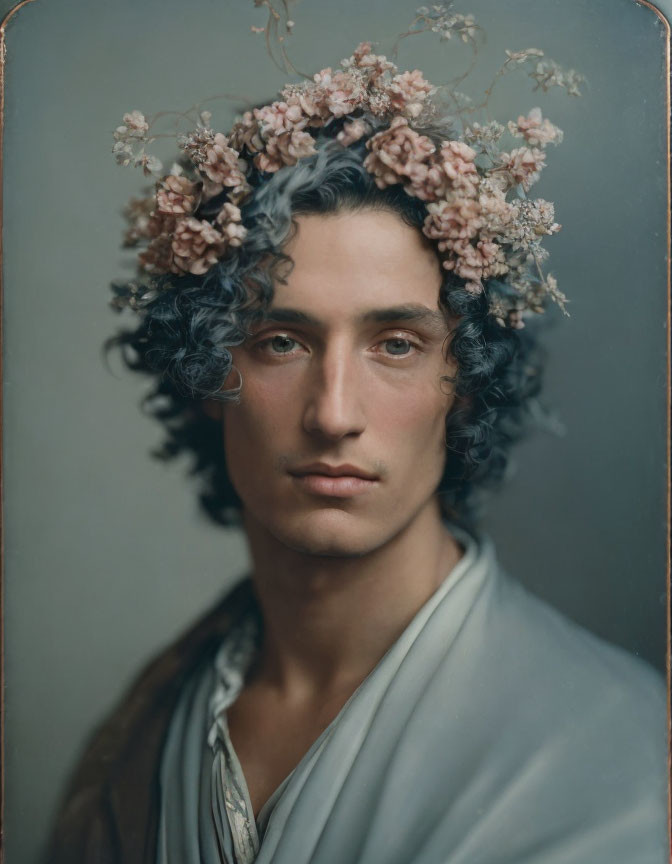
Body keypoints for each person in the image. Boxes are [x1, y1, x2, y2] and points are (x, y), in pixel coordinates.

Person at [46, 40, 668, 864]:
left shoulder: (621, 750)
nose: (334, 413)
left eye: (397, 344)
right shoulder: (151, 722)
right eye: (279, 341)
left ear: (468, 382)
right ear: (206, 374)